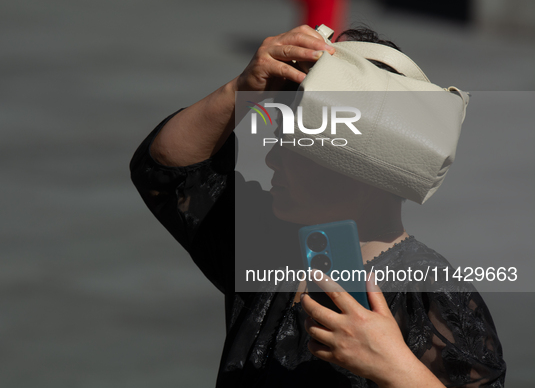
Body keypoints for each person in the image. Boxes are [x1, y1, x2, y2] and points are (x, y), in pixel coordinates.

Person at [130, 25, 506, 387]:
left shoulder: (432, 294)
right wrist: (240, 88)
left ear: (367, 169)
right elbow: (167, 170)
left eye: (299, 150)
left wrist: (396, 370)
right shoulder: (268, 246)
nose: (273, 160)